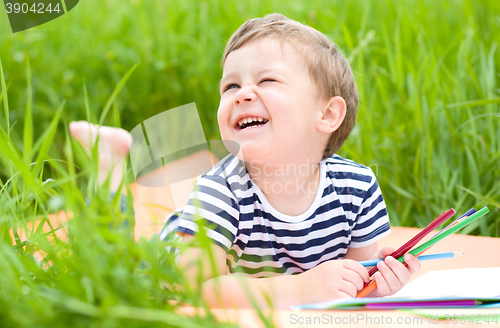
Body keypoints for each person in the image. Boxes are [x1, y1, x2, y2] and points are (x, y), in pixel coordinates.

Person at [70, 13, 420, 309]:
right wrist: (300, 289)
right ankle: (109, 169)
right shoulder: (221, 189)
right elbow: (193, 287)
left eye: (267, 80)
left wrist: (380, 283)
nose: (243, 94)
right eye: (230, 87)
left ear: (327, 114)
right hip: (168, 261)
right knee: (108, 266)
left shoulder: (356, 188)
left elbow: (352, 283)